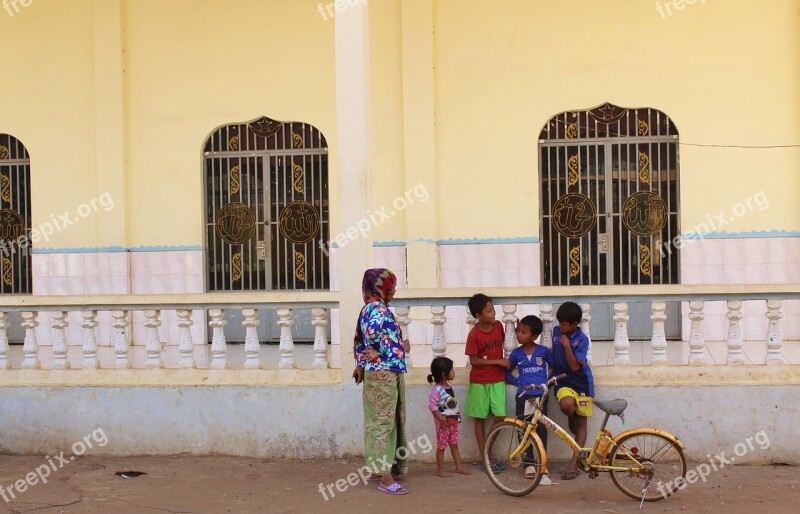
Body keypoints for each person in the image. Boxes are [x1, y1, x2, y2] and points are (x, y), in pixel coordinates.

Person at [352, 268, 410, 495]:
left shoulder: (370, 308)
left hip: (380, 372)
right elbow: (373, 335)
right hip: (384, 373)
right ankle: (386, 478)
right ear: (380, 288)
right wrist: (382, 350)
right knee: (384, 423)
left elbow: (358, 338)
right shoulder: (376, 308)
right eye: (391, 287)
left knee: (380, 421)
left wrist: (361, 363)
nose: (394, 291)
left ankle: (380, 468)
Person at [505, 315, 554, 485]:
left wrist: (548, 383)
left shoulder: (543, 352)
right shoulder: (516, 354)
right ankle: (528, 464)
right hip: (523, 396)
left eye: (523, 332)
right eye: (518, 331)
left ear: (534, 336)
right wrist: (517, 382)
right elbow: (507, 371)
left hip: (540, 397)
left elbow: (553, 367)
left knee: (541, 429)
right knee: (524, 428)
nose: (519, 335)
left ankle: (542, 462)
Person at [464, 293, 510, 473]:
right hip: (479, 381)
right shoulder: (474, 334)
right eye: (489, 311)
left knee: (500, 416)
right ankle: (486, 458)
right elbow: (474, 361)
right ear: (478, 315)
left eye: (493, 309)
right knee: (479, 419)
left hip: (498, 380)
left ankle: (487, 451)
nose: (494, 313)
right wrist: (498, 362)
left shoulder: (498, 326)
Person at [552, 301, 595, 481]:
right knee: (568, 406)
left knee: (582, 423)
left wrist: (567, 345)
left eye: (564, 324)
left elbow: (575, 367)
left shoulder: (582, 340)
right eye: (559, 323)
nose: (560, 327)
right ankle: (571, 415)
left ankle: (574, 462)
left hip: (582, 383)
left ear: (575, 323)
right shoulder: (555, 332)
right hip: (563, 381)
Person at [427, 357, 470, 478]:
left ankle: (459, 467)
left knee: (454, 445)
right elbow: (432, 406)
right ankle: (440, 470)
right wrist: (441, 419)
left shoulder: (448, 385)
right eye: (452, 369)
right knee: (441, 447)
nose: (454, 372)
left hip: (453, 423)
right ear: (443, 374)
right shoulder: (437, 390)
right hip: (443, 425)